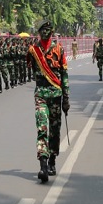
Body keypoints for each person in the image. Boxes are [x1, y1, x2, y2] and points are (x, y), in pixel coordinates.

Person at [26, 19, 69, 183]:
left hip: (56, 95)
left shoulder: (59, 50)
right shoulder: (33, 50)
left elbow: (64, 76)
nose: (46, 33)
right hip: (41, 95)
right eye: (43, 30)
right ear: (39, 32)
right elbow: (28, 66)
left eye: (48, 31)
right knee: (42, 127)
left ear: (51, 33)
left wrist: (66, 98)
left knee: (55, 130)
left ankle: (52, 160)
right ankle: (43, 165)